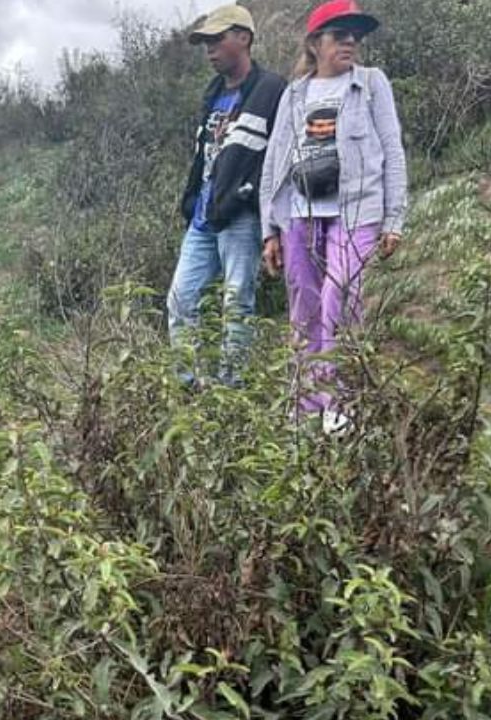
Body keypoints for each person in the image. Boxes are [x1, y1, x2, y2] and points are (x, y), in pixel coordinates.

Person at [258, 0, 407, 432]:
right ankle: (305, 409)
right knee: (303, 307)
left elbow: (392, 150)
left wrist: (394, 218)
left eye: (354, 35)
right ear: (314, 43)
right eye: (339, 34)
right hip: (300, 213)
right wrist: (270, 229)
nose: (349, 42)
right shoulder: (295, 94)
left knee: (338, 296)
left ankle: (340, 406)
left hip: (356, 209)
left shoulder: (372, 84)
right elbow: (275, 163)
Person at [169, 3, 287, 388]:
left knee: (237, 305)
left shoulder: (271, 89)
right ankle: (190, 387)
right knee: (180, 300)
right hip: (203, 218)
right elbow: (202, 158)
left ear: (244, 38)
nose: (210, 49)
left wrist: (262, 211)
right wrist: (190, 203)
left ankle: (231, 390)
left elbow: (280, 156)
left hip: (241, 216)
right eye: (206, 42)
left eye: (217, 39)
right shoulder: (212, 94)